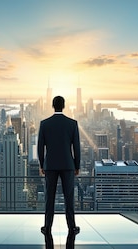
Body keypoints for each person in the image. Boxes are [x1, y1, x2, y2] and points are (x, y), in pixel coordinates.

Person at [38, 96, 81, 238]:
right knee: (69, 197)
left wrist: (42, 163)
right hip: (68, 165)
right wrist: (77, 165)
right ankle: (72, 227)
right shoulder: (72, 123)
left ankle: (47, 226)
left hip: (50, 165)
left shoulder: (44, 124)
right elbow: (76, 147)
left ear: (52, 105)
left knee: (49, 197)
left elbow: (40, 147)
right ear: (64, 106)